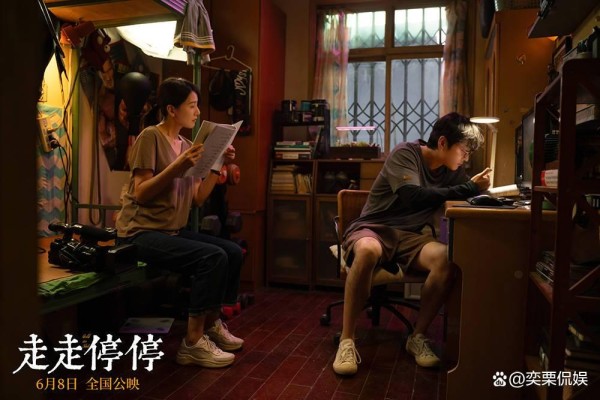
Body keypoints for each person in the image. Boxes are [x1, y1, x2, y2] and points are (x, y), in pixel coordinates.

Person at [332, 112, 492, 375]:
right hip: (374, 228)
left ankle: (417, 336)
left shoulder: (452, 171)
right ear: (443, 143)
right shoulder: (406, 153)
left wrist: (485, 191)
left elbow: (466, 194)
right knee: (368, 250)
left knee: (447, 258)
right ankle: (347, 340)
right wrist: (469, 188)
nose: (465, 158)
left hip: (410, 236)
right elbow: (412, 196)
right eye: (463, 151)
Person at [116, 77, 244, 368]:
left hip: (170, 232)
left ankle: (211, 325)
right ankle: (193, 342)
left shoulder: (188, 145)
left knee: (232, 252)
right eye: (192, 106)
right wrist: (179, 165)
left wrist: (218, 164)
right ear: (172, 109)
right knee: (212, 257)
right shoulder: (150, 137)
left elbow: (197, 198)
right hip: (139, 233)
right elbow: (141, 192)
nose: (197, 112)